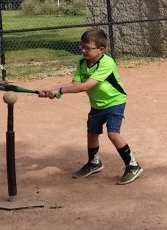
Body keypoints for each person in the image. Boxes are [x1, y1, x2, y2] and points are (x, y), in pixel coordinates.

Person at [39, 29, 143, 184]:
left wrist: (59, 90)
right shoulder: (82, 63)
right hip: (97, 104)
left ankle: (133, 165)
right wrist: (53, 90)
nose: (83, 51)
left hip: (114, 101)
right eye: (82, 47)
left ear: (101, 49)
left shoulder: (107, 62)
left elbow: (85, 86)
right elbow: (75, 84)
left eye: (88, 48)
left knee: (113, 134)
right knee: (92, 133)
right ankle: (94, 163)